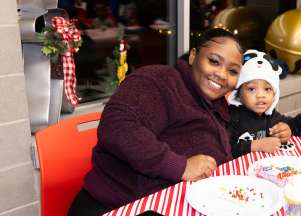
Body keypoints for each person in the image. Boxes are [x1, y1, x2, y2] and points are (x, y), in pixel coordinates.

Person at [68, 28, 244, 216]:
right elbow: (117, 126)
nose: (222, 75)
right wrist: (180, 166)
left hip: (180, 202)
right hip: (120, 206)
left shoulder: (216, 104)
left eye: (232, 71)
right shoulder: (159, 81)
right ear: (193, 56)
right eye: (214, 61)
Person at [227, 49, 301, 158]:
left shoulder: (270, 115)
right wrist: (256, 145)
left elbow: (295, 127)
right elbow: (225, 149)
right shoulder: (232, 116)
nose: (261, 95)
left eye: (267, 89)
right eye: (252, 89)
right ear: (238, 93)